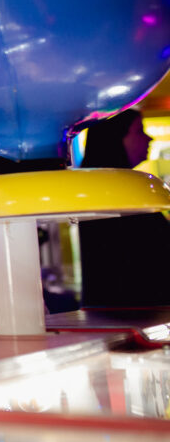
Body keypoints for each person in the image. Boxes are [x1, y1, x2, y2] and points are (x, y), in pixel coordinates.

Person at [77, 108, 170, 308]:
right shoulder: (115, 190)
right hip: (132, 311)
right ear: (115, 138)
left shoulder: (94, 185)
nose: (149, 138)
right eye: (139, 131)